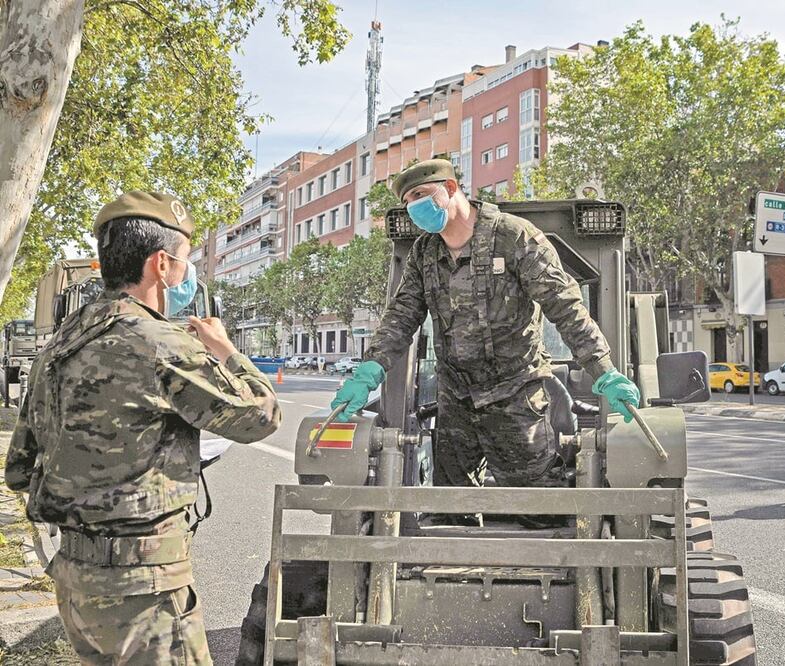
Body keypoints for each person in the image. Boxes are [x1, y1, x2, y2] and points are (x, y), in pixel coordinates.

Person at [4, 191, 282, 664]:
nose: (186, 275)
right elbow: (260, 415)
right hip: (143, 591)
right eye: (185, 261)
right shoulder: (160, 343)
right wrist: (226, 351)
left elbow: (18, 469)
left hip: (74, 581)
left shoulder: (59, 345)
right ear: (160, 264)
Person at [330, 159, 639, 488]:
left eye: (419, 194)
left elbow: (563, 305)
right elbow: (402, 316)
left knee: (535, 511)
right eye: (407, 201)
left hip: (516, 396)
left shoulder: (513, 237)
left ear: (450, 188)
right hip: (456, 400)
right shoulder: (424, 253)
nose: (413, 206)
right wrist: (369, 372)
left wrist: (603, 370)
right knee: (449, 509)